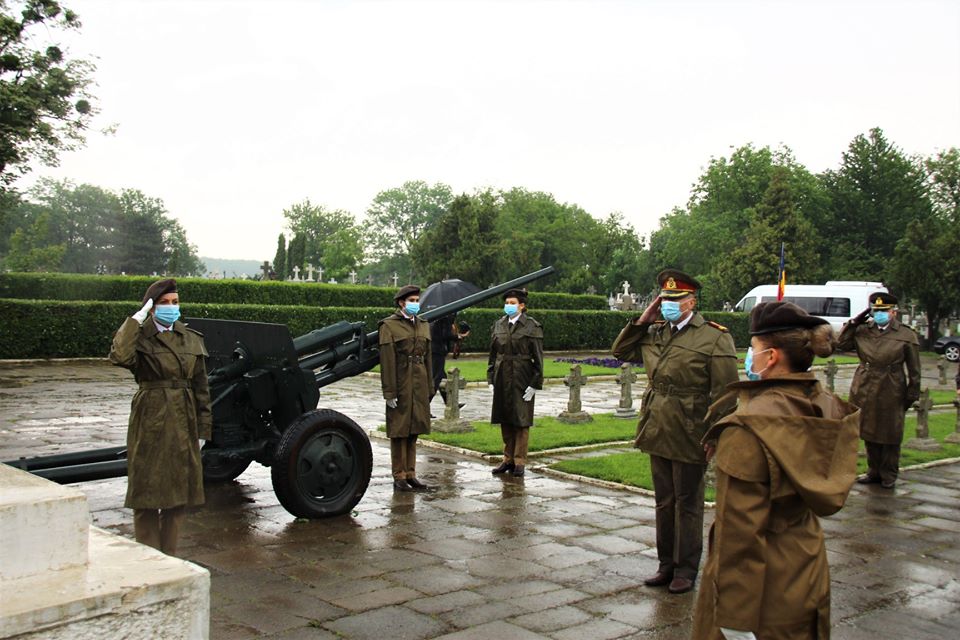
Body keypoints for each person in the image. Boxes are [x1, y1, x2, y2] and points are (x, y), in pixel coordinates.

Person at [692, 301, 860, 640]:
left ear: (770, 357)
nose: (748, 356)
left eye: (752, 347)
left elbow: (741, 532)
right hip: (805, 564)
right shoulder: (823, 404)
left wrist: (734, 620)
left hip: (761, 587)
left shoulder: (748, 428)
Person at [611, 269, 738, 594]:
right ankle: (666, 564)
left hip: (690, 427)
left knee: (688, 502)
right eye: (664, 299)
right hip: (657, 424)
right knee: (664, 501)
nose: (668, 304)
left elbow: (726, 392)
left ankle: (685, 568)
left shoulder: (713, 337)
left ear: (691, 301)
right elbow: (620, 352)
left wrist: (715, 434)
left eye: (676, 299)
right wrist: (643, 319)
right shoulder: (654, 332)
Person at [108, 278, 211, 555]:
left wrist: (203, 430)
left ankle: (169, 557)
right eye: (164, 303)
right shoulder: (140, 336)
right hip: (151, 416)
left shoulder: (190, 338)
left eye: (175, 302)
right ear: (152, 307)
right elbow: (120, 356)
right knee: (146, 494)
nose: (171, 307)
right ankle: (149, 557)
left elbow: (201, 388)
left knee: (178, 495)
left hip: (183, 419)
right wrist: (136, 319)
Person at [837, 292, 920, 489]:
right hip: (865, 384)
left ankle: (889, 473)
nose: (880, 314)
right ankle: (873, 471)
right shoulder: (863, 330)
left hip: (891, 385)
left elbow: (914, 369)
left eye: (884, 311)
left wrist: (912, 393)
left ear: (893, 312)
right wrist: (853, 323)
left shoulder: (905, 334)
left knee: (890, 431)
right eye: (876, 311)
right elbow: (841, 344)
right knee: (869, 429)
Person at [379, 284, 433, 492]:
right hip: (401, 382)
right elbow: (387, 361)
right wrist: (389, 392)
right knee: (399, 430)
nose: (415, 304)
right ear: (402, 303)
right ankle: (399, 475)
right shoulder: (389, 325)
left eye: (417, 301)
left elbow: (428, 358)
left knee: (414, 429)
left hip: (419, 382)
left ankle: (411, 473)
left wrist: (429, 387)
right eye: (411, 301)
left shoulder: (423, 324)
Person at [488, 288, 544, 477]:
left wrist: (535, 383)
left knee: (521, 420)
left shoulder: (531, 326)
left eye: (512, 303)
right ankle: (507, 459)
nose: (509, 306)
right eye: (507, 303)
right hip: (502, 375)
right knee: (505, 418)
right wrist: (490, 378)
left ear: (522, 305)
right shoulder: (499, 325)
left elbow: (538, 357)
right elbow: (493, 354)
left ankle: (519, 461)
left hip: (522, 376)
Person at [429, 313, 470, 408]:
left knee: (442, 378)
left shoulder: (438, 316)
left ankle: (450, 402)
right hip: (437, 351)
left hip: (434, 350)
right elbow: (446, 335)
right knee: (437, 379)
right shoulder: (446, 317)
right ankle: (425, 405)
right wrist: (458, 336)